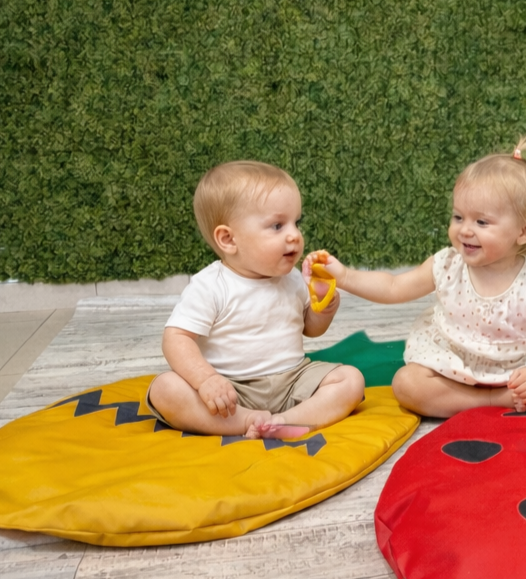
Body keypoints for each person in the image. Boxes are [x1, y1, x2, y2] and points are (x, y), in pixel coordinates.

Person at [309, 136, 526, 417]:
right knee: (406, 384)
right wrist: (345, 276)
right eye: (458, 217)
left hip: (510, 373)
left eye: (481, 222)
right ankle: (492, 400)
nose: (465, 230)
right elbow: (394, 287)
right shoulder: (448, 265)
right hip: (449, 366)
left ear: (524, 232)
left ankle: (507, 394)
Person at [148, 161, 365, 439]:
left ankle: (283, 422)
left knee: (351, 380)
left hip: (293, 379)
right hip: (230, 392)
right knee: (165, 389)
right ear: (229, 239)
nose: (294, 235)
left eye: (296, 223)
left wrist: (324, 308)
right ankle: (245, 421)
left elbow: (310, 329)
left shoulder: (293, 278)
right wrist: (206, 380)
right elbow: (176, 338)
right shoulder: (211, 285)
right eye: (277, 225)